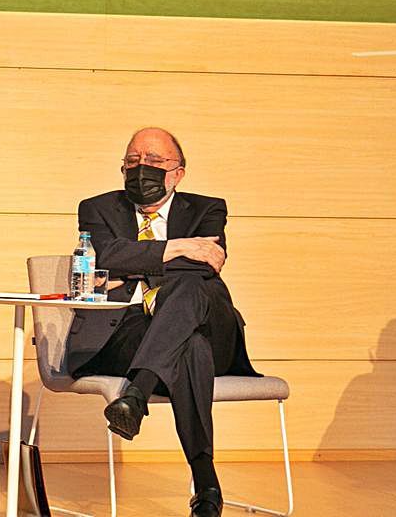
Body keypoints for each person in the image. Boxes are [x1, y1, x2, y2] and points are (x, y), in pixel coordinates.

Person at [66, 127, 259, 517]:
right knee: (190, 349)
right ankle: (206, 488)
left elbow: (203, 265)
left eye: (154, 162)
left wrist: (138, 261)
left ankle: (137, 393)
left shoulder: (207, 208)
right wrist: (177, 247)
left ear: (178, 172)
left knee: (189, 284)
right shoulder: (97, 208)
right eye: (133, 161)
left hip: (212, 324)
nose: (142, 169)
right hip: (127, 331)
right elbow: (107, 252)